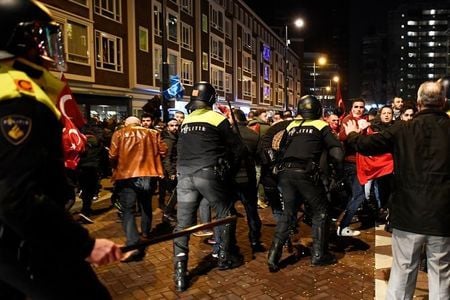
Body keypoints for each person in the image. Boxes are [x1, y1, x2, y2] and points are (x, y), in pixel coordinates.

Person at [0, 1, 123, 299]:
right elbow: (16, 196)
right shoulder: (17, 96)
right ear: (21, 39)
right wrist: (84, 245)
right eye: (41, 38)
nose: (47, 51)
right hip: (23, 243)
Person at [343, 81, 449, 300]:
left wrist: (353, 134)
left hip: (407, 212)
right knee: (440, 274)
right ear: (443, 102)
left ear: (419, 103)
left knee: (403, 271)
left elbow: (369, 144)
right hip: (442, 214)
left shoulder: (403, 128)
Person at [173, 81, 244, 291]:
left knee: (182, 226)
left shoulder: (186, 120)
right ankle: (225, 256)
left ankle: (179, 274)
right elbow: (237, 148)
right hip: (208, 173)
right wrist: (230, 170)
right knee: (225, 213)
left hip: (184, 176)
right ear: (212, 99)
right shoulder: (217, 118)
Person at [267, 95, 344, 272]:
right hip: (305, 173)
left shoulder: (292, 126)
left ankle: (273, 255)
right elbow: (337, 153)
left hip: (285, 174)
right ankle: (319, 255)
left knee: (288, 213)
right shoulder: (320, 125)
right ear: (318, 110)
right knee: (321, 211)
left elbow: (280, 148)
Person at [109, 116, 167, 262]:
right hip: (148, 173)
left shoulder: (119, 133)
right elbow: (163, 151)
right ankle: (145, 233)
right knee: (146, 204)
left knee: (127, 209)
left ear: (126, 124)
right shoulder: (153, 133)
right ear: (139, 123)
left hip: (126, 174)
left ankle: (132, 243)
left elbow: (112, 155)